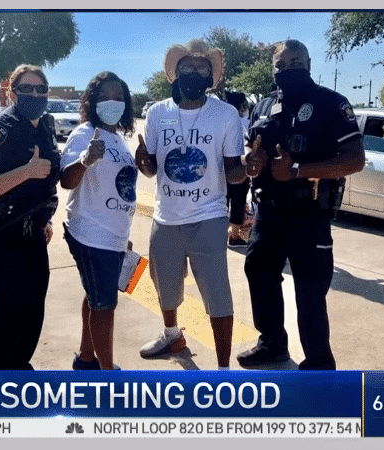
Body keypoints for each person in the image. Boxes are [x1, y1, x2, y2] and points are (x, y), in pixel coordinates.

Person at [134, 39, 264, 370]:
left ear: (212, 76)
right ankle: (171, 334)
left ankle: (223, 370)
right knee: (163, 283)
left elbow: (233, 170)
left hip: (208, 216)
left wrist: (248, 170)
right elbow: (151, 168)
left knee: (217, 294)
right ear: (174, 73)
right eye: (187, 68)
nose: (194, 73)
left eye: (202, 68)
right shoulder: (158, 113)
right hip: (165, 217)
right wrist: (142, 162)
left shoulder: (225, 114)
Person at [236, 40, 365, 370]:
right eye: (281, 64)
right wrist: (252, 161)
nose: (288, 68)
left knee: (310, 290)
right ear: (273, 69)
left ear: (309, 63)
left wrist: (298, 170)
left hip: (308, 214)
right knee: (260, 274)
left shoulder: (330, 103)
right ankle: (272, 343)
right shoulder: (262, 106)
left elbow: (354, 159)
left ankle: (319, 363)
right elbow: (251, 152)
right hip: (267, 212)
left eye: (296, 61)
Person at [0, 64, 61, 370]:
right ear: (12, 92)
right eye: (26, 89)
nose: (34, 94)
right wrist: (27, 171)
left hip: (30, 231)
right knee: (11, 308)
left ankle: (17, 366)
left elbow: (45, 180)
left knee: (34, 307)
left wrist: (44, 218)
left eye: (40, 89)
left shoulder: (43, 125)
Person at [59, 71, 137, 371]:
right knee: (104, 306)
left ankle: (86, 358)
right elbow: (66, 180)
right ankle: (106, 376)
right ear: (92, 101)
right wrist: (86, 160)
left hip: (112, 235)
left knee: (96, 297)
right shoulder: (84, 133)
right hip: (91, 233)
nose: (112, 102)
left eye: (118, 97)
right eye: (104, 96)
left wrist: (122, 233)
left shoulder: (117, 138)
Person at [223, 91, 252, 247]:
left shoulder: (220, 121)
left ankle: (217, 235)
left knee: (221, 202)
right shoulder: (246, 123)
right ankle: (234, 237)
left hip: (221, 167)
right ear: (241, 106)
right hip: (240, 168)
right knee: (238, 202)